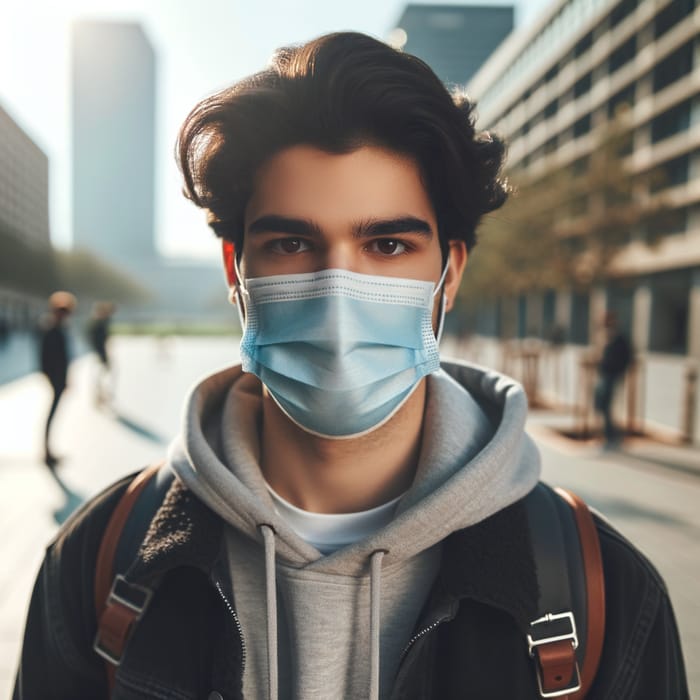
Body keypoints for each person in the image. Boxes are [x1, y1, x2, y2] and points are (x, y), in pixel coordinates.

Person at [14, 32, 687, 699]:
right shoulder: (99, 563)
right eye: (292, 242)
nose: (338, 289)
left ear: (448, 275)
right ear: (236, 271)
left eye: (388, 244)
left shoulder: (606, 596)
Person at [38, 290, 76, 468]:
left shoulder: (56, 328)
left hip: (57, 378)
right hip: (56, 378)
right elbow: (50, 358)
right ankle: (46, 451)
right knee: (51, 414)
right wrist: (56, 379)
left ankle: (47, 450)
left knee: (52, 414)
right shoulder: (53, 330)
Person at [594, 311, 632, 447]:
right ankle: (608, 433)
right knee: (600, 404)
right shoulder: (605, 335)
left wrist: (617, 371)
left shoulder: (618, 337)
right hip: (604, 375)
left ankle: (611, 435)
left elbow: (627, 357)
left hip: (611, 375)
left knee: (606, 404)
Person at [87, 301, 116, 406]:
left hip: (100, 352)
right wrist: (102, 355)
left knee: (102, 373)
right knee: (101, 373)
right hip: (99, 352)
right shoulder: (100, 323)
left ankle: (100, 393)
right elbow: (98, 340)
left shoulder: (102, 322)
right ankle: (99, 394)